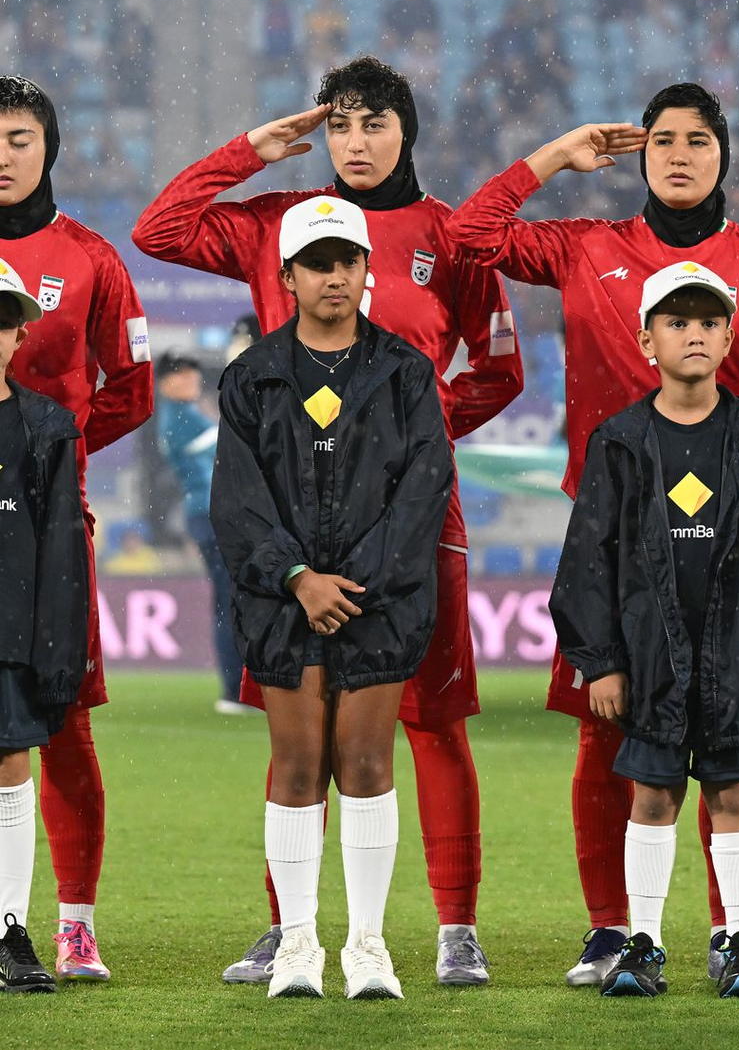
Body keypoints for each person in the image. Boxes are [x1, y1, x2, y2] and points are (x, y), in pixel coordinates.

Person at [133, 55, 521, 985]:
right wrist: (252, 151)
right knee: (298, 734)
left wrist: (401, 440)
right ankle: (290, 928)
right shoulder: (277, 223)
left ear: (406, 131)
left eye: (374, 122)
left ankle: (454, 928)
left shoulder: (451, 234)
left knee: (432, 721)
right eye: (340, 124)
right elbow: (160, 228)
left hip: (416, 516)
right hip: (291, 526)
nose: (355, 140)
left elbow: (500, 369)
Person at [446, 81, 739, 985]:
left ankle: (734, 933)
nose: (681, 154)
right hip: (611, 546)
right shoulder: (589, 246)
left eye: (699, 139)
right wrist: (552, 157)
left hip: (724, 548)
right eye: (663, 140)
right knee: (603, 734)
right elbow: (470, 237)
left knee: (729, 738)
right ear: (640, 155)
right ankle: (615, 930)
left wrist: (730, 473)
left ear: (724, 154)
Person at [551, 263, 739, 999]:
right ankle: (644, 944)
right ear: (646, 339)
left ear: (731, 336)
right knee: (653, 798)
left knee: (733, 795)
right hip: (647, 661)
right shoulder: (620, 440)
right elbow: (588, 560)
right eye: (677, 321)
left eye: (709, 322)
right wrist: (599, 659)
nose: (694, 333)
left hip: (734, 658)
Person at [211, 195, 453, 1000]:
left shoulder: (406, 370)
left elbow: (423, 489)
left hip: (379, 599)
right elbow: (238, 499)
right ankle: (299, 945)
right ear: (286, 276)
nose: (335, 277)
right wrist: (297, 577)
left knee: (366, 761)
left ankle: (368, 946)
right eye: (318, 263)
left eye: (347, 261)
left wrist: (355, 582)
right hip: (283, 601)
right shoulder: (251, 375)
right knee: (297, 764)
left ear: (366, 269)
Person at [0, 76, 153, 982]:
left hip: (48, 527)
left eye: (19, 137)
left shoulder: (90, 257)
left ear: (48, 147)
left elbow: (130, 386)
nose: (3, 153)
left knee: (59, 723)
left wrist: (44, 458)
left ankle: (73, 921)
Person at [0, 262, 89, 993]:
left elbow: (61, 545)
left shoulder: (45, 425)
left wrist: (57, 652)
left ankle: (8, 929)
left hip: (7, 630)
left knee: (8, 768)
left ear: (21, 332)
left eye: (1, 316)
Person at [155, 349, 244, 713]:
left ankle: (236, 687)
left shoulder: (177, 416)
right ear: (165, 383)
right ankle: (234, 688)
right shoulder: (182, 418)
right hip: (212, 515)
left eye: (193, 373)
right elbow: (235, 443)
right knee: (229, 600)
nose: (192, 380)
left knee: (227, 599)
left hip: (205, 514)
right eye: (183, 374)